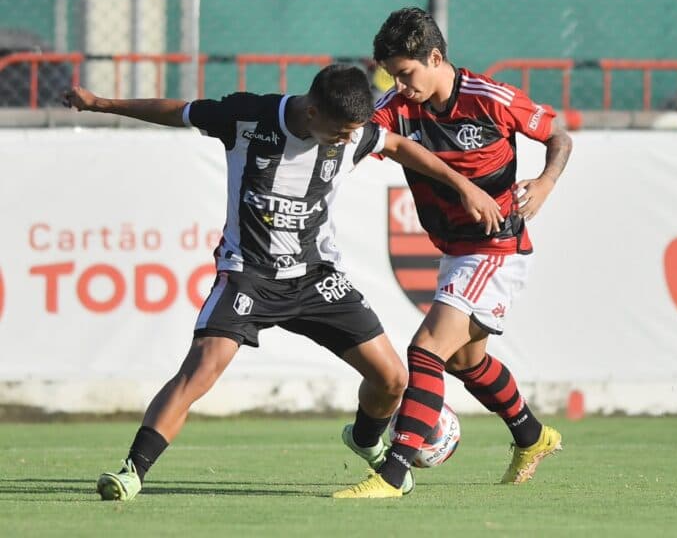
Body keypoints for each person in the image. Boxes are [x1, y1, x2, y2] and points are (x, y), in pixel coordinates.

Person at [62, 64, 503, 501]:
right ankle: (132, 472)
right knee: (200, 370)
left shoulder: (352, 133)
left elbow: (399, 145)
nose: (348, 140)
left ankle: (366, 441)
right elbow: (177, 111)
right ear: (312, 112)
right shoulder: (247, 118)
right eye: (340, 132)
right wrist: (101, 103)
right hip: (248, 275)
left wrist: (463, 186)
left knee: (391, 379)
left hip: (316, 277)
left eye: (353, 132)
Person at [333, 8, 573, 499]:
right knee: (467, 362)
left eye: (406, 73)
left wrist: (546, 181)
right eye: (393, 76)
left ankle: (393, 473)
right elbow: (358, 138)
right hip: (456, 250)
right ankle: (533, 436)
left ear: (436, 58)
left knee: (426, 350)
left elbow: (558, 135)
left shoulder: (491, 98)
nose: (401, 86)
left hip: (497, 246)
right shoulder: (398, 107)